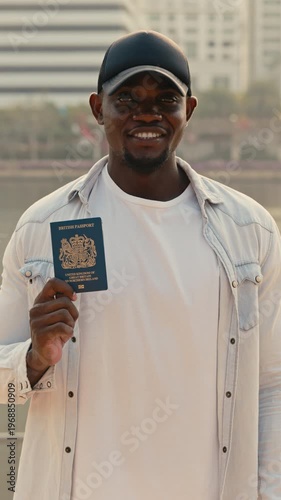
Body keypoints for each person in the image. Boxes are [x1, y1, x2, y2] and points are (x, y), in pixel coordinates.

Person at [0, 30, 280, 500]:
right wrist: (31, 359)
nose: (146, 113)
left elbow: (273, 385)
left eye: (165, 99)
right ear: (98, 108)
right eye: (126, 98)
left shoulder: (250, 232)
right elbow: (6, 400)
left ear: (188, 110)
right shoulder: (42, 229)